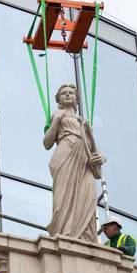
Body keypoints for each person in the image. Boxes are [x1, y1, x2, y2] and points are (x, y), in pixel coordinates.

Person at [43, 84, 105, 242]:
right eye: (63, 93)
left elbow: (93, 149)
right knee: (63, 197)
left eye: (71, 92)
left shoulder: (84, 122)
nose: (68, 94)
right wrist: (56, 120)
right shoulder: (57, 115)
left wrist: (100, 156)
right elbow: (47, 143)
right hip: (65, 156)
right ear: (59, 100)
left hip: (84, 162)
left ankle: (86, 237)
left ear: (76, 98)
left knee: (89, 196)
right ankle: (65, 233)